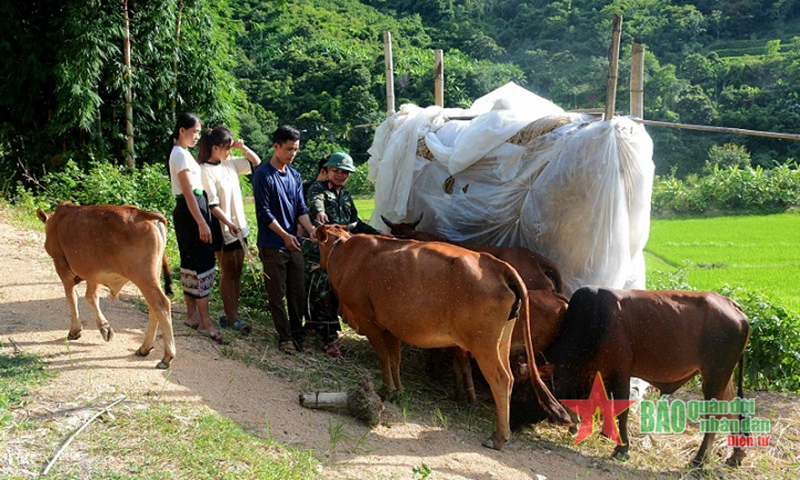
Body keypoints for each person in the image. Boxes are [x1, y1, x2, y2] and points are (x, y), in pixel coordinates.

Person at [304, 152, 381, 358]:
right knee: (323, 290)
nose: (340, 175)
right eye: (336, 171)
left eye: (345, 173)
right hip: (320, 253)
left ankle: (316, 325)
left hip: (344, 255)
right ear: (327, 170)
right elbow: (315, 205)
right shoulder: (317, 188)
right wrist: (319, 213)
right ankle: (329, 339)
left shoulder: (346, 195)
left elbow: (355, 222)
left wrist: (380, 235)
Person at [252, 125, 316, 354]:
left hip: (294, 241)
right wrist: (285, 235)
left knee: (298, 291)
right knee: (276, 293)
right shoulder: (262, 175)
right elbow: (264, 213)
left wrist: (311, 229)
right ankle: (285, 337)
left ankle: (299, 335)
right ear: (276, 146)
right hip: (273, 243)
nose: (292, 154)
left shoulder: (295, 175)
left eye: (296, 149)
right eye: (289, 149)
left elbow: (300, 208)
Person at [167, 113, 224, 344]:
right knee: (201, 262)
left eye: (199, 133)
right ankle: (205, 320)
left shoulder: (183, 153)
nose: (197, 136)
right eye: (194, 132)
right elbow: (189, 192)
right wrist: (201, 221)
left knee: (190, 262)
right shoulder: (179, 154)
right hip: (192, 210)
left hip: (190, 210)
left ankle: (192, 316)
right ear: (182, 130)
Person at [198, 126, 261, 335]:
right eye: (226, 147)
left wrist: (242, 147)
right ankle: (231, 316)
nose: (229, 151)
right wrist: (229, 223)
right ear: (215, 148)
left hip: (239, 224)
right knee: (228, 270)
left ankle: (234, 313)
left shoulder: (230, 164)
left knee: (238, 270)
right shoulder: (205, 170)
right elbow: (212, 205)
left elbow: (256, 162)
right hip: (222, 226)